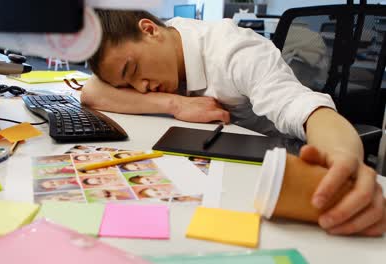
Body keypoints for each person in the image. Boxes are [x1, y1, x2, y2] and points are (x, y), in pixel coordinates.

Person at [81, 10, 385, 236]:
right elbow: (92, 91)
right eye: (128, 84)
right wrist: (175, 104)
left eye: (133, 70)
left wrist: (346, 159)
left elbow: (310, 111)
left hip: (285, 168)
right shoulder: (165, 43)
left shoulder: (235, 53)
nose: (141, 87)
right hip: (225, 163)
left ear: (149, 30)